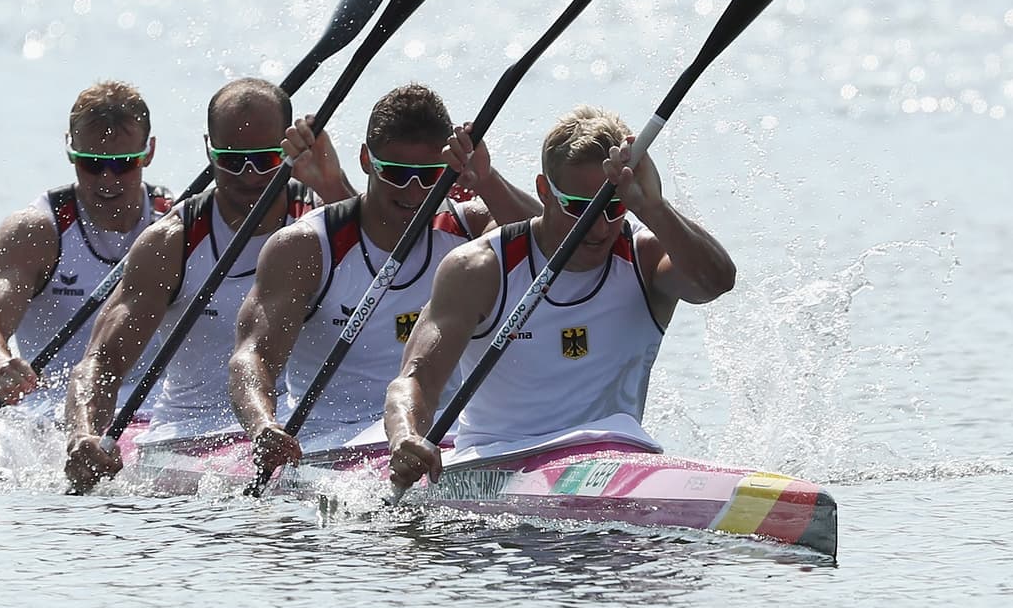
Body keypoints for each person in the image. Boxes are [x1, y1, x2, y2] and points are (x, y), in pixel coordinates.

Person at [383, 105, 737, 490]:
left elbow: (715, 283)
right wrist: (406, 436)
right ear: (543, 191)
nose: (599, 228)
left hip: (614, 458)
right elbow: (416, 380)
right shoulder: (479, 269)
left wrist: (654, 207)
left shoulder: (645, 257)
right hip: (498, 462)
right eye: (579, 208)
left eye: (613, 208)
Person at [228, 83, 541, 478]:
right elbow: (252, 355)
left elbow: (554, 245)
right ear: (366, 160)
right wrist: (263, 426)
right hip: (329, 443)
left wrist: (488, 179)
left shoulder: (469, 228)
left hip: (435, 439)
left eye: (428, 176)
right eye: (395, 173)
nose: (413, 190)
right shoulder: (306, 246)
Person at [63, 77, 353, 492]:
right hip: (190, 436)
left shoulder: (328, 221)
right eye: (232, 161)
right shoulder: (171, 242)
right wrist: (83, 434)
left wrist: (334, 187)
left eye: (265, 160)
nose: (250, 176)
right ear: (208, 150)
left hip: (293, 437)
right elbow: (102, 362)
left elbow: (402, 268)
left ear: (288, 151)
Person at [0, 80, 172, 413]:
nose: (107, 179)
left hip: (160, 412)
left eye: (123, 164)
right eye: (92, 163)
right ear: (69, 150)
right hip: (53, 410)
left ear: (149, 152)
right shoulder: (35, 232)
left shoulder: (176, 224)